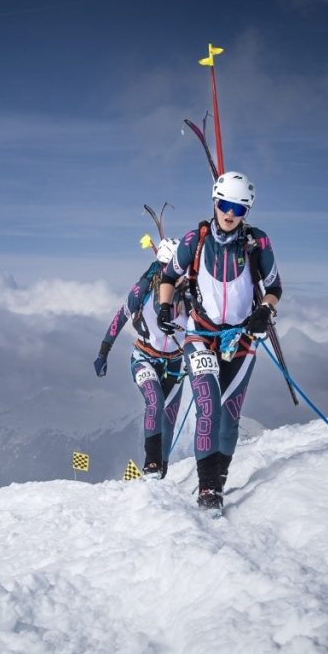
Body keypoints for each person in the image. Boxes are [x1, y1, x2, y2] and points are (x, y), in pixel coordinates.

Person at [156, 171, 282, 511]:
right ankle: (208, 489)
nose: (230, 213)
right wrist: (165, 307)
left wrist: (264, 312)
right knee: (208, 407)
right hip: (200, 334)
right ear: (214, 202)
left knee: (230, 417)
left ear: (247, 212)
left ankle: (220, 475)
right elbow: (169, 277)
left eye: (239, 209)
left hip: (242, 339)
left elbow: (274, 289)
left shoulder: (258, 243)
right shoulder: (192, 241)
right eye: (225, 205)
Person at [94, 237, 188, 479]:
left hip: (176, 362)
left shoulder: (190, 293)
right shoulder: (142, 290)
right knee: (155, 403)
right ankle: (151, 465)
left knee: (168, 419)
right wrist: (104, 351)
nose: (180, 275)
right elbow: (121, 317)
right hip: (144, 356)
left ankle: (161, 472)